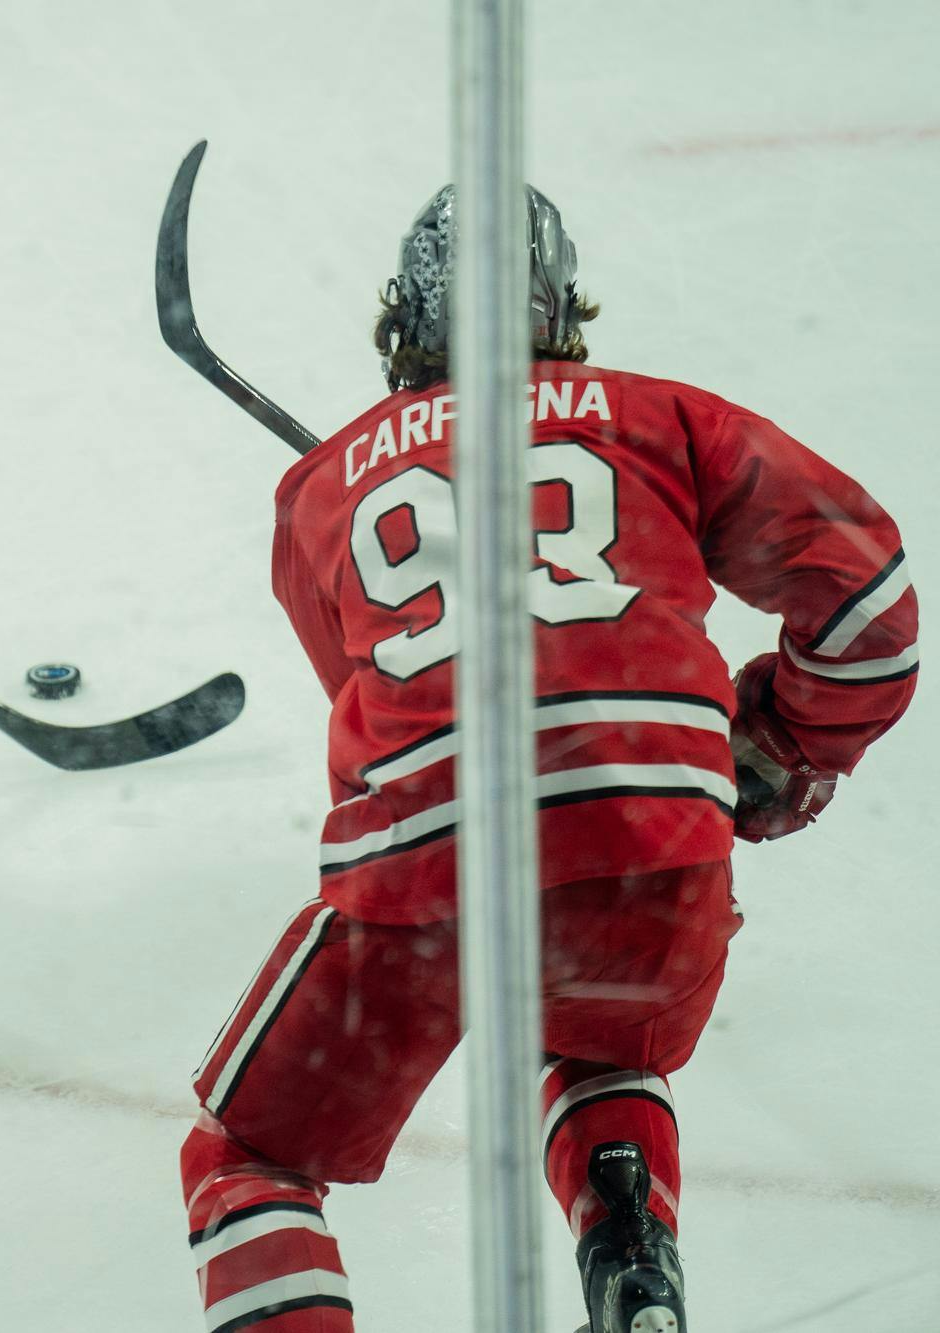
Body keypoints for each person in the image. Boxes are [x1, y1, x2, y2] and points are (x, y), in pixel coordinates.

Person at [180, 186, 917, 1333]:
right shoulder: (662, 417)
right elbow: (868, 601)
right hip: (653, 832)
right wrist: (773, 744)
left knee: (248, 1153)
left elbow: (373, 705)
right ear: (562, 310)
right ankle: (631, 1267)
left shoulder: (321, 491)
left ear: (397, 326)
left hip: (433, 849)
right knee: (598, 1044)